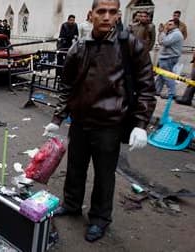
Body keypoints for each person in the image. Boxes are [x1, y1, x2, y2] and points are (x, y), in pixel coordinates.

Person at [44, 0, 156, 242]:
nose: (107, 16)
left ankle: (100, 218)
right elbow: (67, 85)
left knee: (105, 175)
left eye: (112, 12)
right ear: (91, 14)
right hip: (81, 122)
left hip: (110, 124)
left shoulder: (130, 45)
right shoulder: (79, 47)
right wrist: (58, 117)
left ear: (117, 15)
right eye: (101, 11)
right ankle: (72, 204)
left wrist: (140, 124)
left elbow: (147, 87)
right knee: (75, 168)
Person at [155, 19, 184, 98]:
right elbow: (161, 41)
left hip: (169, 57)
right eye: (168, 24)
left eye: (170, 24)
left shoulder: (176, 34)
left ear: (176, 25)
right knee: (161, 76)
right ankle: (156, 90)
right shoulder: (171, 33)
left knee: (167, 76)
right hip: (166, 57)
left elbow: (165, 42)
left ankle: (171, 93)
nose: (167, 26)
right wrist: (162, 33)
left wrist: (163, 32)